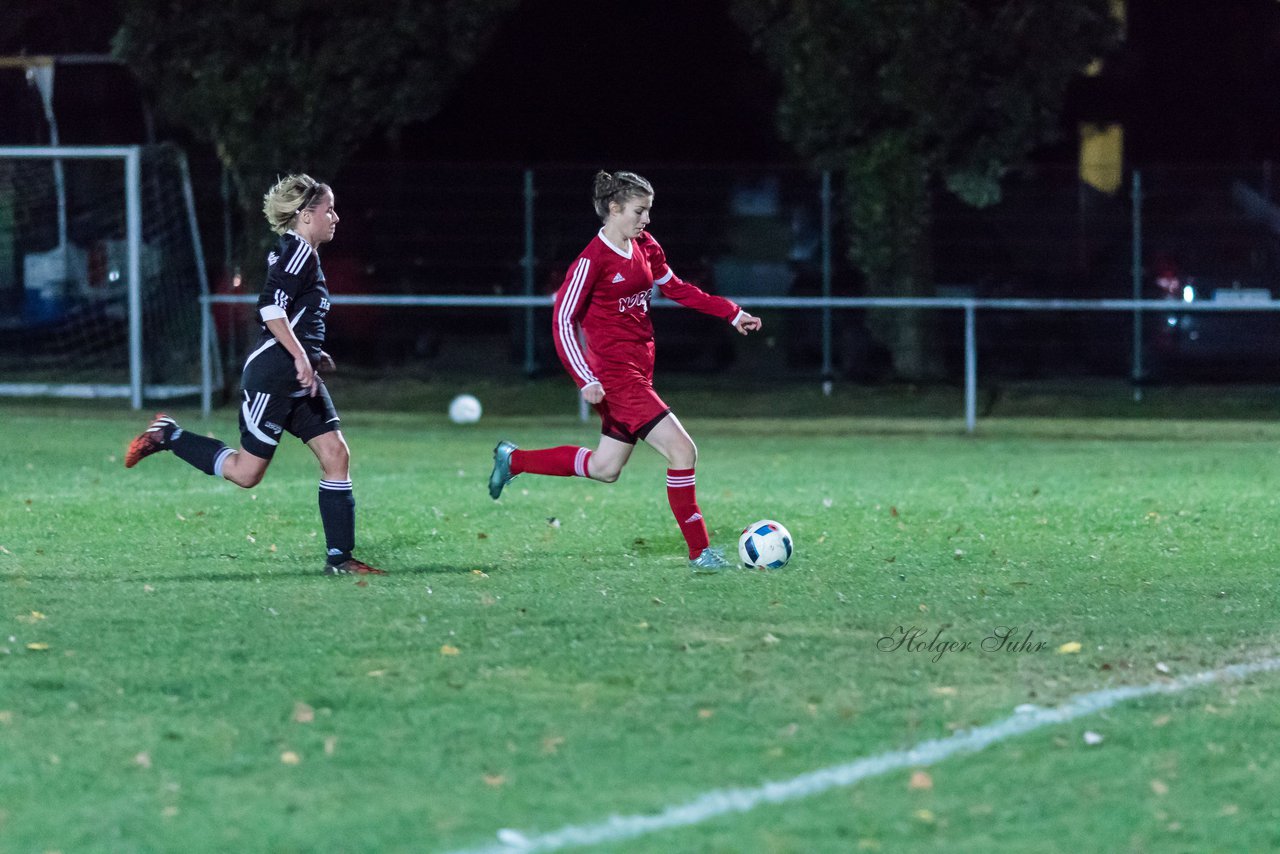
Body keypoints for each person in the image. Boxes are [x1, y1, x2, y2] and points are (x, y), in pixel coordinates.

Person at [489, 170, 762, 572]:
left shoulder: (645, 246)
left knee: (605, 468)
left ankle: (513, 460)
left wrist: (731, 311)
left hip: (639, 370)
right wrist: (586, 379)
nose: (646, 219)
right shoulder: (591, 261)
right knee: (683, 450)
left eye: (648, 211)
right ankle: (700, 552)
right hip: (617, 378)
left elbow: (677, 288)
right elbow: (563, 320)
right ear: (614, 209)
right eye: (640, 210)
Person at [124, 174, 384, 576]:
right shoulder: (298, 252)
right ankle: (169, 434)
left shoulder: (302, 254)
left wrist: (313, 354)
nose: (335, 216)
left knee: (336, 454)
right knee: (246, 474)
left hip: (298, 377)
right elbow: (270, 309)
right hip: (273, 378)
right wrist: (300, 356)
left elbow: (294, 315)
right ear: (304, 216)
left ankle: (340, 560)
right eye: (328, 209)